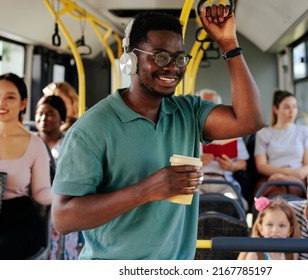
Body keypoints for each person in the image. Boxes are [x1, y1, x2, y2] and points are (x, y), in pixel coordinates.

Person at [51, 6, 265, 260]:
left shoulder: (188, 111)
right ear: (131, 59)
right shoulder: (91, 129)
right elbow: (63, 218)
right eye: (160, 56)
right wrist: (147, 190)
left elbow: (251, 119)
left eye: (179, 58)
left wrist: (228, 43)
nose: (172, 67)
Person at [0, 72, 52, 259]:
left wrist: (67, 193)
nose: (2, 103)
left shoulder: (35, 144)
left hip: (17, 220)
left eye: (10, 97)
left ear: (23, 103)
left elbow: (42, 193)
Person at [34, 95, 81, 260]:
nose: (43, 118)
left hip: (63, 212)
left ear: (61, 117)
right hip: (36, 215)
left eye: (50, 113)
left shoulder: (72, 145)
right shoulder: (29, 145)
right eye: (40, 113)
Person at [254, 89, 308, 198]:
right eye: (287, 107)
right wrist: (283, 174)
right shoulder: (263, 134)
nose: (292, 111)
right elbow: (261, 166)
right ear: (275, 109)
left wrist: (289, 175)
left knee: (291, 195)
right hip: (272, 178)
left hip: (296, 179)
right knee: (273, 197)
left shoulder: (304, 132)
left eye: (294, 106)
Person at [197, 88, 249, 210]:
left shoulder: (232, 133)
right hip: (198, 181)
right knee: (190, 205)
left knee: (239, 204)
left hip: (224, 181)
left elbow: (243, 163)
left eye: (212, 107)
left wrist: (232, 166)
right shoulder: (188, 132)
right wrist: (197, 162)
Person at [238, 196, 300, 260]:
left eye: (282, 226)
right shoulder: (255, 255)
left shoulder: (292, 254)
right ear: (261, 229)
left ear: (290, 230)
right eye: (270, 225)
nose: (275, 230)